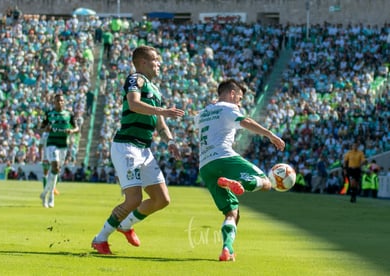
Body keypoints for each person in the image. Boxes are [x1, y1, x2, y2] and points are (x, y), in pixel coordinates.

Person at [91, 45, 185, 254]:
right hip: (127, 146)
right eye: (155, 60)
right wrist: (162, 110)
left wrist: (170, 141)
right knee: (134, 199)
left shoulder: (155, 89)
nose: (159, 64)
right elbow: (133, 104)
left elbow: (160, 124)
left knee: (162, 199)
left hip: (144, 149)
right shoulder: (136, 79)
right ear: (143, 62)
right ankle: (100, 238)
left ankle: (125, 225)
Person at [195, 79, 285, 261]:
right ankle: (242, 182)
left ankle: (227, 249)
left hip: (205, 166)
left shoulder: (202, 114)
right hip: (224, 157)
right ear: (232, 93)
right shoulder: (228, 108)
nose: (240, 103)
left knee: (231, 212)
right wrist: (270, 134)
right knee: (267, 181)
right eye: (240, 98)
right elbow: (246, 121)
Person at [39, 93, 79, 208]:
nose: (59, 102)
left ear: (64, 102)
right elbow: (41, 127)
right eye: (57, 101)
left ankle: (45, 193)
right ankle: (51, 195)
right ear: (54, 102)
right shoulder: (49, 114)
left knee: (56, 171)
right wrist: (45, 128)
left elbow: (76, 128)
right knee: (55, 166)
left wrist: (72, 131)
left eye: (61, 100)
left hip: (63, 145)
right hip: (52, 144)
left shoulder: (69, 114)